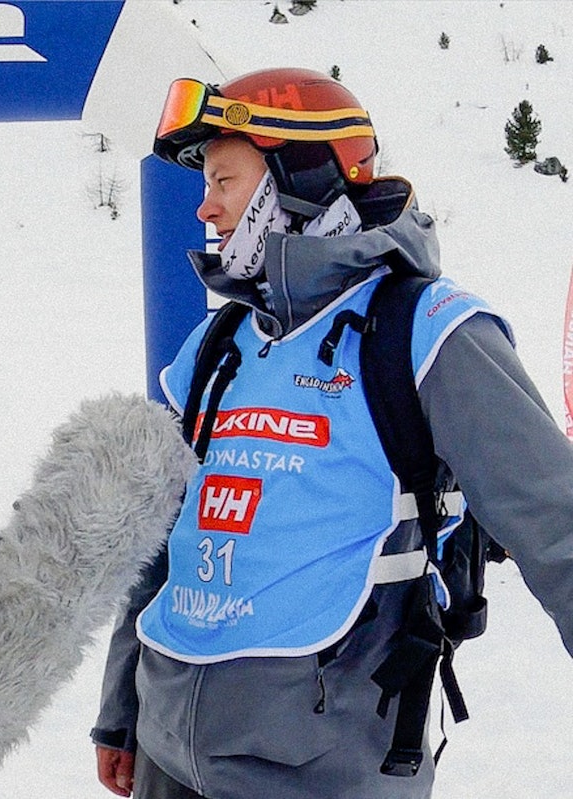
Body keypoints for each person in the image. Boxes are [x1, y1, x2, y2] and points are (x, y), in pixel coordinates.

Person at [92, 68, 573, 799]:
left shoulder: (427, 333)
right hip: (170, 756)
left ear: (300, 175)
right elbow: (162, 541)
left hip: (325, 771)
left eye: (223, 180)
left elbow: (556, 522)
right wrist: (122, 710)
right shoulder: (219, 345)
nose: (205, 207)